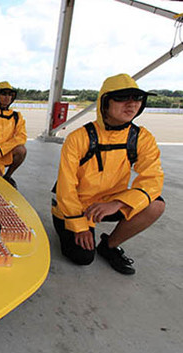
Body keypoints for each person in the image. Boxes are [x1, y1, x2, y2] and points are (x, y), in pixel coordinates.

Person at [52, 73, 165, 275]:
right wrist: (79, 226)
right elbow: (65, 187)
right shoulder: (78, 138)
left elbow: (153, 180)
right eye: (122, 98)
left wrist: (119, 203)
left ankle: (110, 245)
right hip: (76, 206)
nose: (131, 105)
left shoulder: (142, 138)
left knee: (156, 205)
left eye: (137, 98)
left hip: (110, 203)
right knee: (82, 257)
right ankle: (68, 227)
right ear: (105, 103)